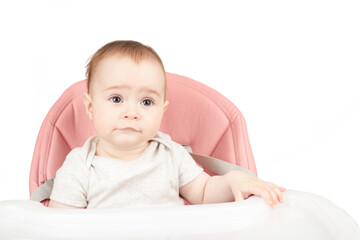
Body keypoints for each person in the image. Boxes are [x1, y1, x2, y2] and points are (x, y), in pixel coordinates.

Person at [49, 40, 286, 209]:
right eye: (116, 99)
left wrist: (234, 180)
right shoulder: (80, 165)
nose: (132, 112)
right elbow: (63, 227)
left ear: (162, 111)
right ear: (90, 107)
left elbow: (203, 193)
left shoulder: (170, 153)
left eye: (147, 102)